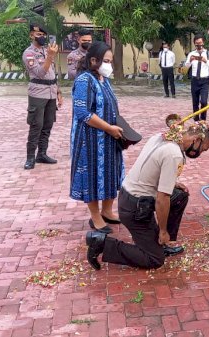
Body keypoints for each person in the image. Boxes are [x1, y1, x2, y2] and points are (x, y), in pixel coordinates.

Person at [85, 121, 209, 270]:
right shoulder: (174, 155)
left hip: (130, 197)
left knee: (180, 196)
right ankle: (102, 244)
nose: (200, 153)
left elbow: (153, 167)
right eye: (203, 149)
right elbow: (162, 199)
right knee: (154, 259)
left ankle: (162, 243)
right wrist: (163, 230)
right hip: (135, 207)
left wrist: (170, 181)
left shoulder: (161, 137)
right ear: (196, 140)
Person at [70, 41, 127, 236]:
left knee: (111, 172)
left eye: (111, 61)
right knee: (92, 176)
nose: (109, 65)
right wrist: (108, 128)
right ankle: (95, 216)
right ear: (93, 60)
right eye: (106, 61)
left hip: (110, 137)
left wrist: (115, 129)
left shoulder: (104, 79)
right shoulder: (84, 80)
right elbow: (82, 112)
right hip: (91, 139)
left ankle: (107, 211)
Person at [23, 23, 63, 170]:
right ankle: (30, 158)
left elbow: (52, 74)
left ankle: (42, 154)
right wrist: (51, 56)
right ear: (31, 35)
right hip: (38, 93)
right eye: (38, 35)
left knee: (47, 125)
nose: (41, 37)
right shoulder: (29, 53)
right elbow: (40, 73)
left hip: (51, 92)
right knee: (36, 125)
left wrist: (58, 92)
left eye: (43, 35)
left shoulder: (47, 51)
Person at [185, 36, 209, 121]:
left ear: (203, 43)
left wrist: (205, 61)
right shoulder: (191, 53)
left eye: (200, 43)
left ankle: (203, 119)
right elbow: (186, 66)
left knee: (204, 101)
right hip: (195, 80)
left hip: (205, 80)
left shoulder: (208, 53)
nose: (199, 45)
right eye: (197, 43)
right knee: (195, 102)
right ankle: (196, 120)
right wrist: (190, 60)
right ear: (195, 44)